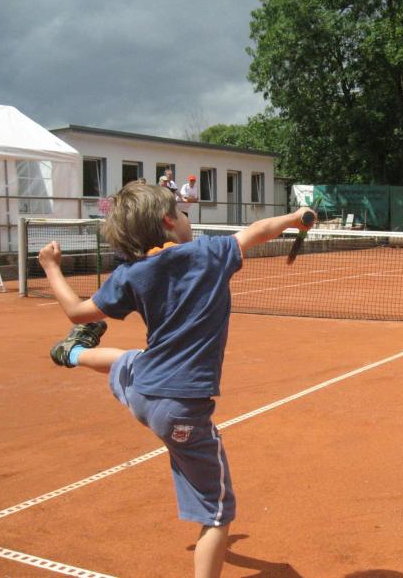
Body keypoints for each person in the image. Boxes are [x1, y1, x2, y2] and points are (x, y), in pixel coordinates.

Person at [37, 182, 314, 578]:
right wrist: (294, 218)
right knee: (218, 514)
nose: (187, 217)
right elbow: (258, 230)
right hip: (182, 409)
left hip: (144, 391)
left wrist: (51, 267)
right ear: (168, 221)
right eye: (182, 213)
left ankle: (74, 353)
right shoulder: (209, 254)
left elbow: (78, 312)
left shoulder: (130, 273)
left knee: (127, 360)